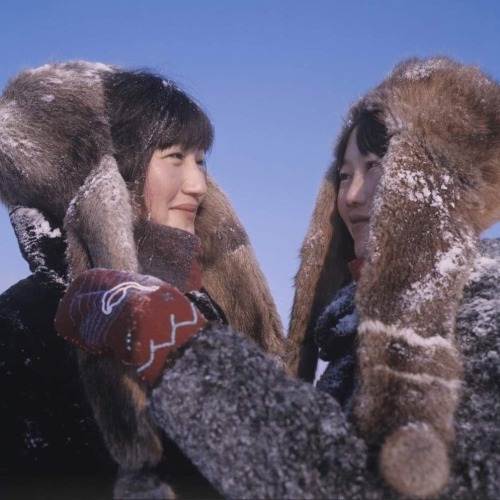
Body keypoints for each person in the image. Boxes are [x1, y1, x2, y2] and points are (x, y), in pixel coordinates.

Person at [55, 56, 500, 499]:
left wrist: (178, 347)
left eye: (378, 167)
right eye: (344, 175)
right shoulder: (356, 342)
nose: (353, 196)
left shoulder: (483, 315)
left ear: (436, 181)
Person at [0, 61, 284, 499]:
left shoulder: (208, 307)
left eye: (201, 161)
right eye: (174, 158)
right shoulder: (22, 326)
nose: (198, 185)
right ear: (115, 180)